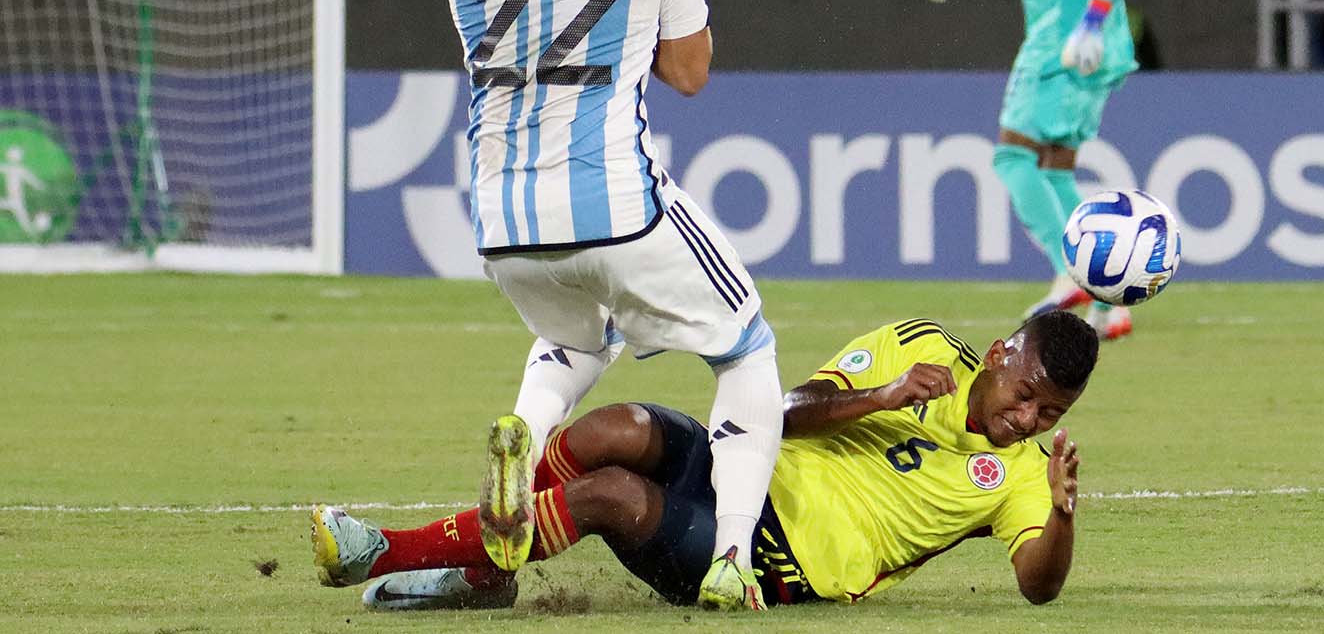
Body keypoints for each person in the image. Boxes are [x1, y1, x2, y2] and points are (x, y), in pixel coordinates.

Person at [385, 0, 783, 611]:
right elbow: (687, 74)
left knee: (582, 335)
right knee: (747, 350)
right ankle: (729, 559)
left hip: (499, 217)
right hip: (611, 200)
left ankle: (523, 438)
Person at [310, 311, 1095, 611]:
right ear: (998, 356)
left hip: (777, 565)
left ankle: (386, 550)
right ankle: (487, 574)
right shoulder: (918, 347)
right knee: (608, 429)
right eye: (1023, 396)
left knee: (610, 495)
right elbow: (781, 411)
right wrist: (880, 396)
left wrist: (1059, 512)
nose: (1024, 420)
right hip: (744, 470)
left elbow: (1038, 587)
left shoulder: (1023, 473)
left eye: (1048, 414)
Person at [920, 0, 1141, 342]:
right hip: (1088, 44)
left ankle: (1076, 274)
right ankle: (1109, 299)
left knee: (1011, 158)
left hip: (1067, 42)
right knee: (1055, 168)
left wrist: (1090, 19)